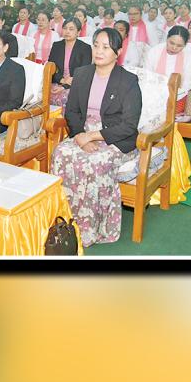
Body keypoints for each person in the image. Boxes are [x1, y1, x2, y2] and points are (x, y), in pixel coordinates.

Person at [50, 27, 143, 245]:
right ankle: (64, 220)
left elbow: (129, 125)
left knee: (95, 161)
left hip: (114, 137)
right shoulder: (82, 74)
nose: (99, 51)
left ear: (118, 52)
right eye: (96, 45)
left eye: (106, 47)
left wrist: (92, 136)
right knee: (61, 153)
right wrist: (80, 136)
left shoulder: (128, 81)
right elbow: (71, 111)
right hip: (83, 132)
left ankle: (90, 228)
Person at [47, 18, 92, 107]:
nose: (67, 31)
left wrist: (64, 86)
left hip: (75, 84)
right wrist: (62, 80)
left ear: (78, 32)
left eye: (71, 29)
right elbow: (50, 68)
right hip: (57, 81)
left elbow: (84, 73)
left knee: (65, 98)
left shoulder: (85, 48)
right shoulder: (56, 46)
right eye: (65, 28)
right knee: (43, 94)